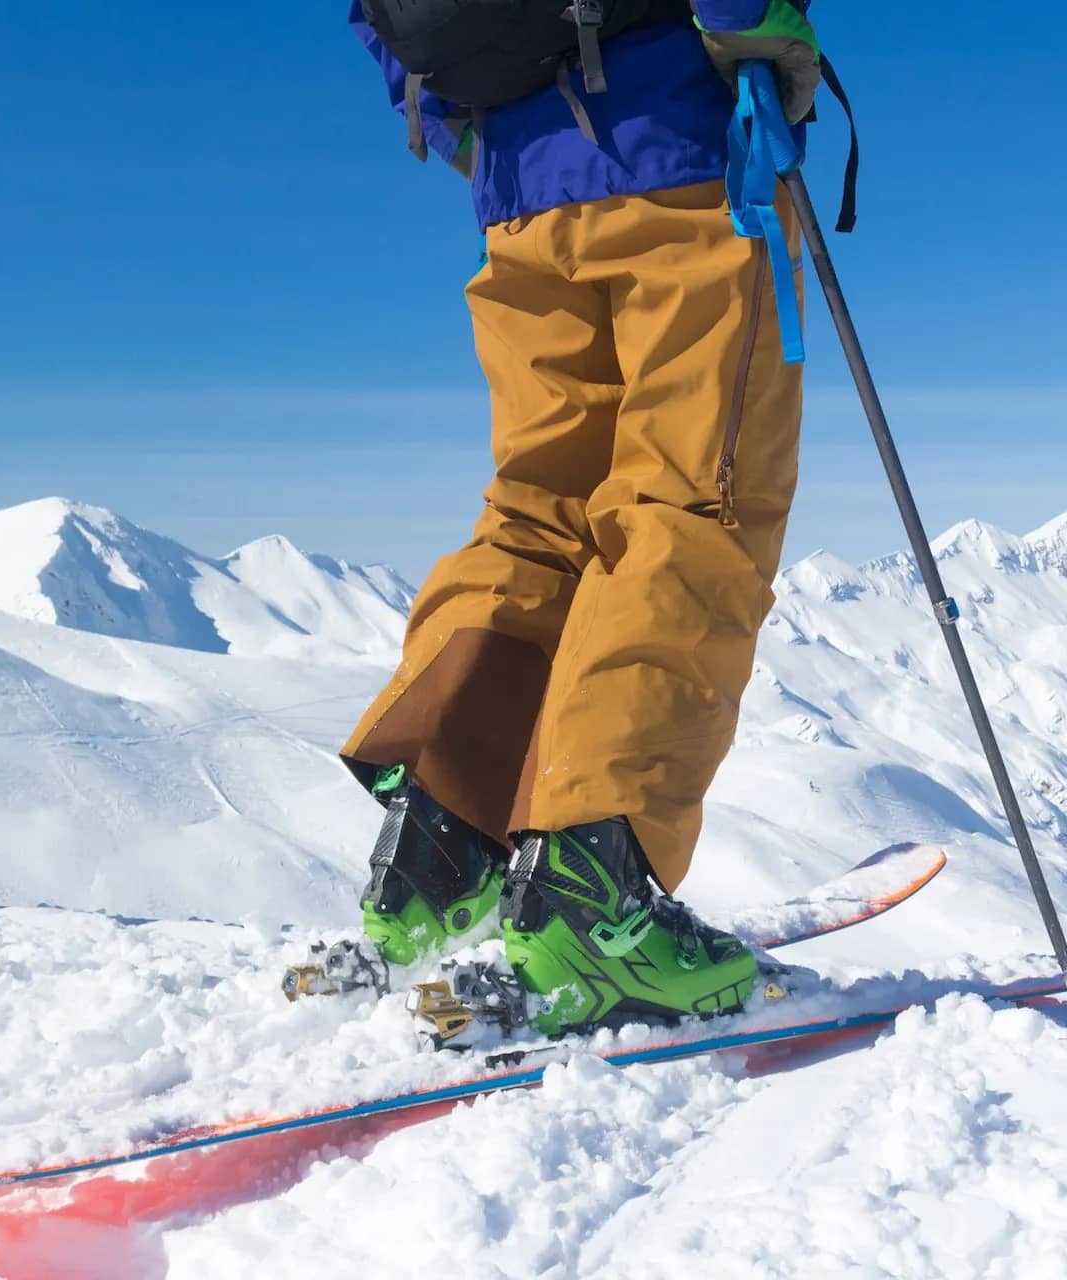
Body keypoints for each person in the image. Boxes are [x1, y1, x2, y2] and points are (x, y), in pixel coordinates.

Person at [337, 0, 821, 1035]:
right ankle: (590, 910)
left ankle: (437, 852)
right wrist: (756, 30)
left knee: (537, 508)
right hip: (681, 146)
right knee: (690, 500)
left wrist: (468, 117)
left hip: (516, 178)